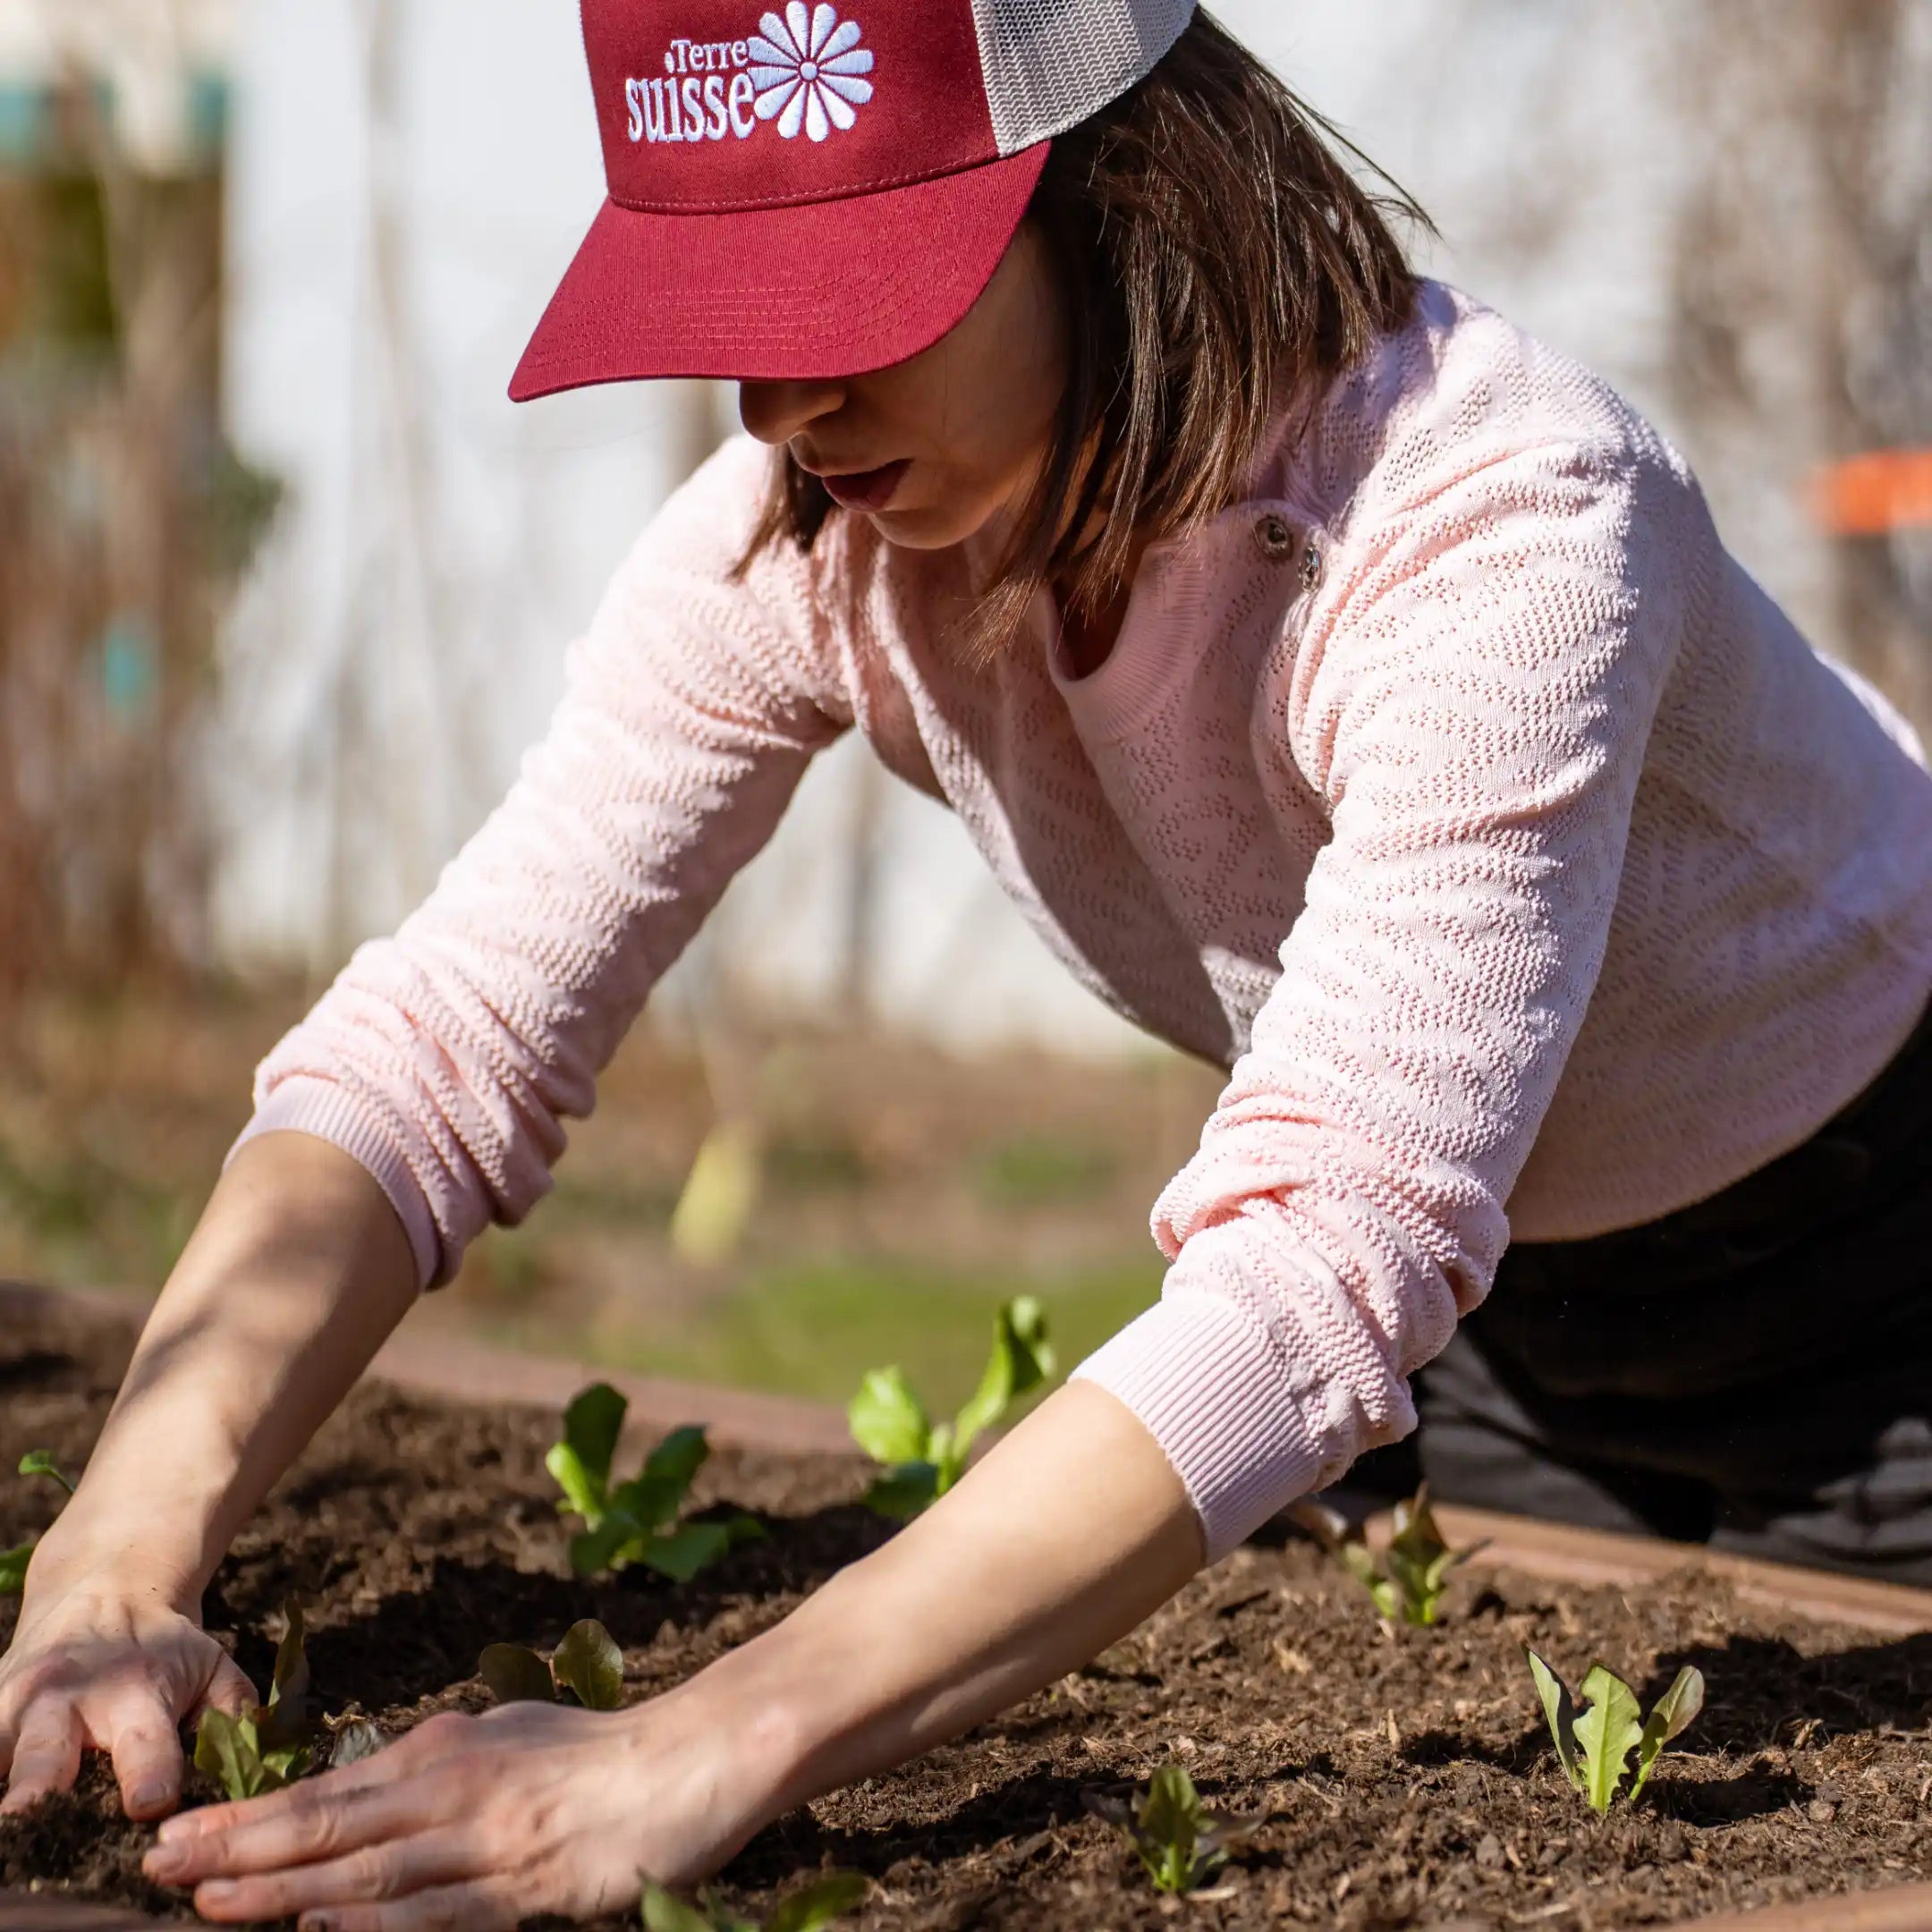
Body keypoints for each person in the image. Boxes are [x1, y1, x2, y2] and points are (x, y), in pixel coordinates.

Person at [4, 1, 1931, 1925]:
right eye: (731, 315)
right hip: (1494, 1327)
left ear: (1117, 186)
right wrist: (115, 1555)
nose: (783, 408)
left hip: (1881, 1284)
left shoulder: (1498, 523)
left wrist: (694, 1750)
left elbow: (1327, 1251)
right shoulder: (817, 552)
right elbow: (448, 1035)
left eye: (850, 299)